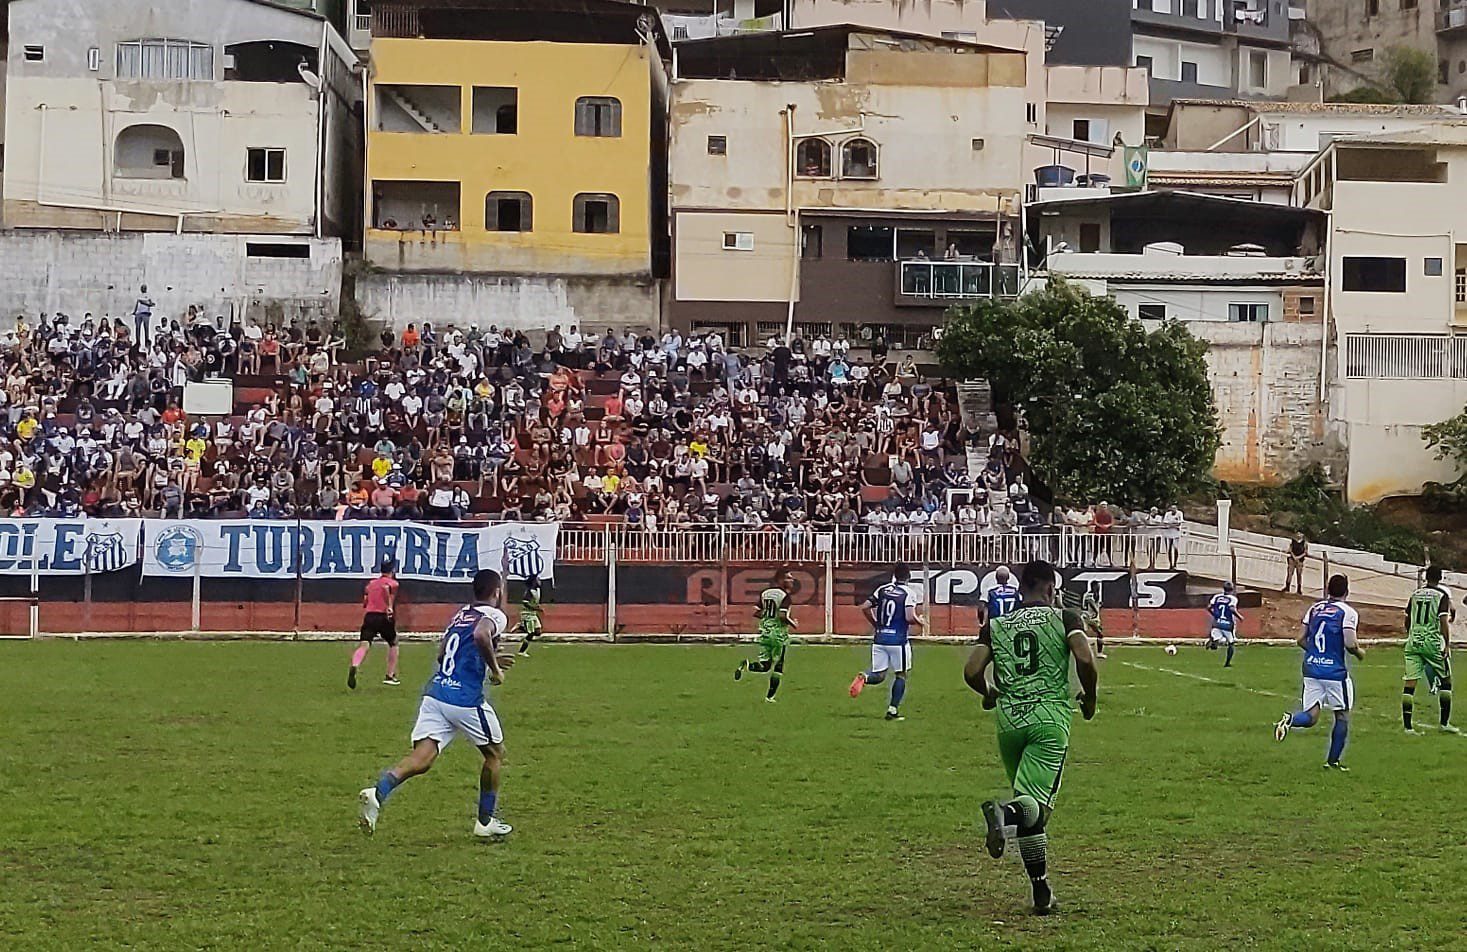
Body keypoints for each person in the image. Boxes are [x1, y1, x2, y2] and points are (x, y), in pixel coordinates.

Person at [965, 559, 1098, 917]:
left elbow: (972, 670)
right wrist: (1090, 698)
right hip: (1048, 720)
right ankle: (1002, 813)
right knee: (1032, 808)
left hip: (1009, 723)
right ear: (1050, 587)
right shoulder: (1065, 618)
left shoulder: (998, 624)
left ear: (1022, 587)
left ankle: (1041, 892)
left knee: (1030, 808)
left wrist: (989, 692)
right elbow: (1085, 658)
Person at [358, 568, 516, 838]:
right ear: (497, 591)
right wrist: (495, 669)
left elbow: (444, 653)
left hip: (436, 694)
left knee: (422, 758)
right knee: (495, 755)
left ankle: (378, 792)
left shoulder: (461, 614)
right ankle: (485, 822)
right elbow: (481, 636)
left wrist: (485, 659)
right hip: (464, 700)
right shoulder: (494, 615)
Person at [1273, 574, 1364, 770]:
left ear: (1328, 590)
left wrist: (1315, 653)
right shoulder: (1348, 612)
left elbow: (1300, 639)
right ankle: (1333, 762)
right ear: (1347, 592)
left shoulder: (1314, 609)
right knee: (1342, 715)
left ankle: (1290, 720)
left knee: (1311, 716)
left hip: (1312, 668)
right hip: (1334, 673)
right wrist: (1359, 653)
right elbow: (1350, 643)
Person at [849, 563, 924, 721]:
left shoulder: (882, 589)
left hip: (880, 639)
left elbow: (865, 607)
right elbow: (909, 617)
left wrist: (876, 624)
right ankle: (892, 710)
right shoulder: (909, 593)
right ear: (909, 577)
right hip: (898, 641)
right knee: (901, 674)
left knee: (879, 675)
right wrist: (920, 622)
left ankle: (864, 677)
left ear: (895, 575)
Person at [1402, 566, 1456, 734]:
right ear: (1440, 578)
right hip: (1431, 642)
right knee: (1446, 681)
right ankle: (1444, 724)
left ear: (1425, 577)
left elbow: (1407, 618)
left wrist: (1410, 633)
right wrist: (1447, 644)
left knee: (1410, 683)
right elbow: (1443, 621)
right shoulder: (1442, 595)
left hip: (1414, 641)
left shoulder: (1415, 594)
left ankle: (1408, 727)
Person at [734, 569, 796, 702]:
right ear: (781, 579)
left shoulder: (765, 593)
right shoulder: (785, 596)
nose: (792, 581)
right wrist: (793, 623)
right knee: (778, 666)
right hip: (778, 634)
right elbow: (782, 616)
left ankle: (747, 665)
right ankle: (770, 697)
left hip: (764, 632)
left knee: (765, 666)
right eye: (789, 578)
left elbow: (756, 612)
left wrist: (768, 616)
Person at [348, 558, 401, 688]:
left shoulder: (371, 584)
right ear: (392, 570)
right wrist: (389, 606)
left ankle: (355, 664)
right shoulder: (393, 584)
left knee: (364, 644)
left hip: (370, 616)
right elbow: (386, 590)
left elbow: (365, 602)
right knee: (393, 643)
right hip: (383, 616)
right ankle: (390, 675)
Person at [1206, 581, 1242, 668]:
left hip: (1217, 622)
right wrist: (1239, 616)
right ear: (1232, 589)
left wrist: (1214, 615)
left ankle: (1214, 641)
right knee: (1231, 642)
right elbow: (1232, 609)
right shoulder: (1233, 599)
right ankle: (1227, 663)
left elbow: (1209, 607)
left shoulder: (1217, 597)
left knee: (1216, 640)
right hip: (1227, 624)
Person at [514, 574, 544, 657]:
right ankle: (521, 651)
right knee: (531, 633)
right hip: (527, 614)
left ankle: (521, 627)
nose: (539, 581)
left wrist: (537, 607)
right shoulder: (529, 591)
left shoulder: (537, 590)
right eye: (538, 580)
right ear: (534, 582)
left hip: (533, 614)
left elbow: (534, 602)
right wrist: (535, 608)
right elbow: (525, 603)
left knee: (538, 632)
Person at [1081, 583, 1105, 659]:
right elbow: (1090, 603)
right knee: (1099, 633)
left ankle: (1098, 653)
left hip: (1090, 617)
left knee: (1099, 634)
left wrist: (1099, 605)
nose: (1098, 588)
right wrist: (1096, 611)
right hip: (1089, 616)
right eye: (1097, 586)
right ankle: (1098, 653)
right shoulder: (1089, 595)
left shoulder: (1096, 595)